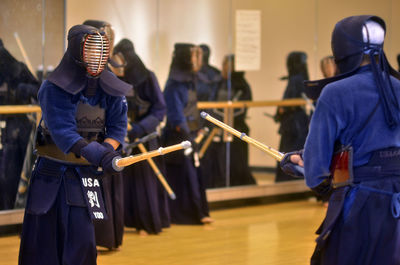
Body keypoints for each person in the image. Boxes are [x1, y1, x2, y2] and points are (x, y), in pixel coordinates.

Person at [282, 15, 400, 265]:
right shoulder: (398, 87)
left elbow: (316, 170)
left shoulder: (335, 93)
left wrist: (297, 163)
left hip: (360, 205)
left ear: (342, 49)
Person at [18, 24, 131, 265]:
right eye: (91, 50)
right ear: (77, 51)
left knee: (82, 238)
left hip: (85, 173)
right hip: (53, 173)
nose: (97, 57)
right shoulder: (53, 87)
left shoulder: (109, 86)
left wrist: (109, 151)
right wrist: (98, 154)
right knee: (45, 240)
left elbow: (118, 125)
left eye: (101, 50)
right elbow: (63, 132)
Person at [110, 38, 170, 235]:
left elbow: (160, 109)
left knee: (143, 184)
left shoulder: (148, 78)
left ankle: (145, 222)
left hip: (144, 136)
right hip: (121, 138)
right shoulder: (114, 78)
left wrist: (138, 128)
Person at [82, 19, 125, 250]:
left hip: (103, 144)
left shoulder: (110, 76)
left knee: (103, 193)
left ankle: (106, 239)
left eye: (107, 40)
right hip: (79, 146)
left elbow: (118, 120)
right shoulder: (72, 74)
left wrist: (108, 147)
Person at [162, 43, 212, 225]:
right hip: (178, 137)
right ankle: (185, 214)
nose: (196, 61)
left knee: (195, 174)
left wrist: (197, 128)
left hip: (190, 135)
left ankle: (199, 212)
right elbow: (176, 115)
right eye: (193, 56)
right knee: (184, 176)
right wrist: (186, 134)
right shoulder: (174, 86)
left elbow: (192, 109)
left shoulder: (190, 82)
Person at [0, 39, 40, 210]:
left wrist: (22, 90)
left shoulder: (16, 69)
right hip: (13, 132)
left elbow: (38, 92)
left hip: (15, 132)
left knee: (10, 176)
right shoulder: (16, 67)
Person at [211, 54, 255, 187]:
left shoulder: (241, 85)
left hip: (236, 129)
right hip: (220, 129)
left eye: (226, 64)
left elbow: (242, 107)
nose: (223, 67)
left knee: (236, 162)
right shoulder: (219, 83)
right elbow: (212, 104)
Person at [274, 51, 309, 182]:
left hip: (292, 123)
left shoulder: (296, 80)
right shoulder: (303, 78)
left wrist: (280, 112)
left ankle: (286, 182)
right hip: (299, 122)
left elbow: (287, 103)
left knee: (289, 153)